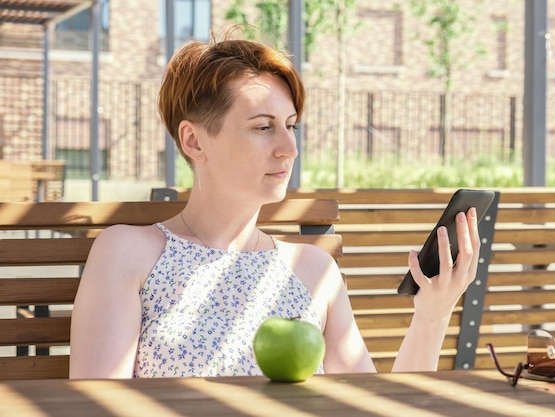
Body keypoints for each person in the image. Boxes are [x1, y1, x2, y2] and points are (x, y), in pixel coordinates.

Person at [69, 32, 481, 379]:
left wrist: (432, 313)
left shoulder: (314, 270)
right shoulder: (128, 253)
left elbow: (374, 406)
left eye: (290, 126)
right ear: (194, 141)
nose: (289, 149)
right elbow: (97, 405)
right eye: (263, 127)